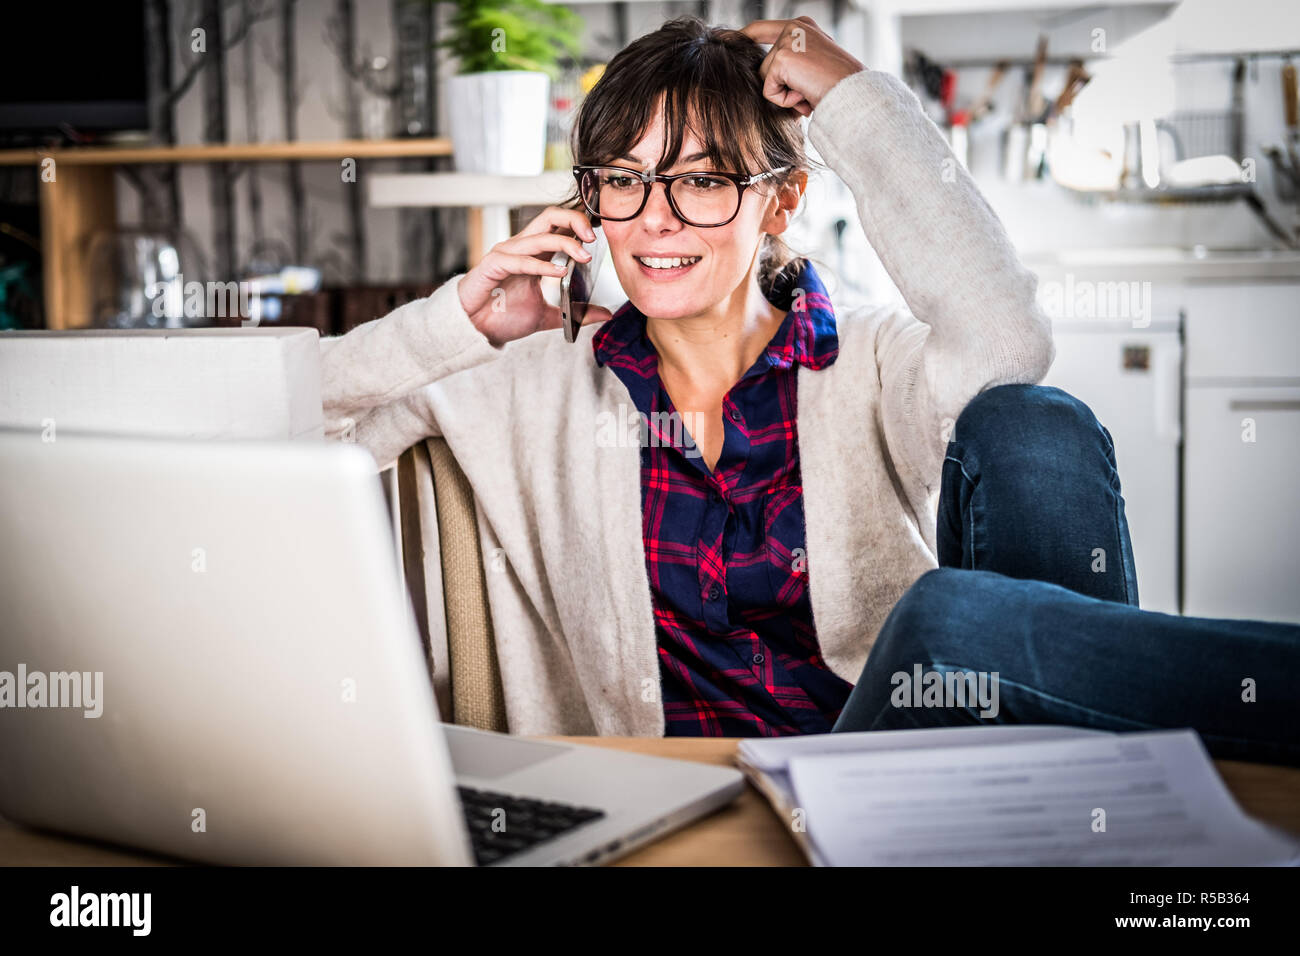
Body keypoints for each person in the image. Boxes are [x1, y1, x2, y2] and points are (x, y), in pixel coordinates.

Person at [319, 15, 1298, 764]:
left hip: (889, 777)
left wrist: (854, 99)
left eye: (701, 181)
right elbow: (290, 427)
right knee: (949, 621)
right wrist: (462, 318)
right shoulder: (529, 385)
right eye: (623, 180)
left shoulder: (867, 366)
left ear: (780, 198)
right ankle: (1131, 784)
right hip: (680, 799)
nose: (655, 222)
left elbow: (1009, 339)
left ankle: (1078, 795)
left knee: (1034, 422)